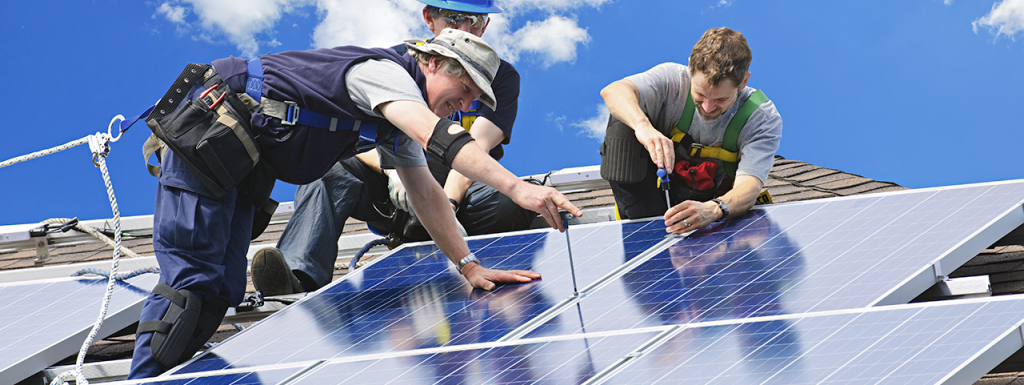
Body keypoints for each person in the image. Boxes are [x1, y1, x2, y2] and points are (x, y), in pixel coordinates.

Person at [128, 28, 581, 378]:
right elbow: (434, 134)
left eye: (469, 104)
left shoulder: (394, 123)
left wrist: (468, 265)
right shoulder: (382, 75)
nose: (460, 107)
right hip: (209, 132)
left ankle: (168, 377)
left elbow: (425, 192)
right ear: (434, 62)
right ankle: (143, 381)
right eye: (462, 94)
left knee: (223, 290)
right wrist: (519, 189)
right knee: (192, 283)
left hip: (239, 163)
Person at [251, 0, 535, 297]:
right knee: (329, 171)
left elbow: (476, 146)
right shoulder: (398, 66)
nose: (464, 29)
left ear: (485, 25)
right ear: (430, 19)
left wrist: (448, 203)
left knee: (511, 200)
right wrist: (392, 171)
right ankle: (298, 278)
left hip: (458, 194)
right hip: (396, 193)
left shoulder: (498, 78)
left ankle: (484, 262)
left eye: (473, 20)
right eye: (453, 18)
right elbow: (363, 133)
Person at [599, 27, 782, 234]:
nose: (707, 108)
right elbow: (613, 91)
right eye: (700, 95)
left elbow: (749, 186)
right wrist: (643, 127)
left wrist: (714, 209)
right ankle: (645, 229)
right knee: (623, 120)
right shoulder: (671, 81)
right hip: (646, 201)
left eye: (721, 100)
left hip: (707, 207)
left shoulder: (760, 117)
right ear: (689, 69)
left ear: (744, 82)